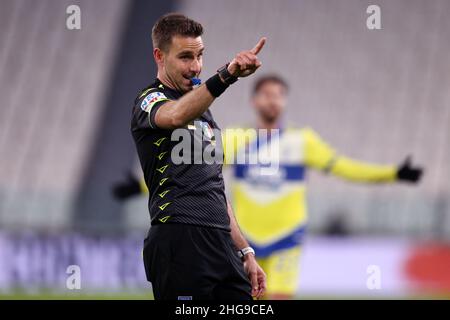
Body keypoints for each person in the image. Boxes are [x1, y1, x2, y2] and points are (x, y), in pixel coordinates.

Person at [118, 74, 423, 300]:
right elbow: (193, 175)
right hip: (242, 242)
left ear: (285, 101)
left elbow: (346, 167)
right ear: (254, 101)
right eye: (266, 94)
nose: (272, 100)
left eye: (278, 95)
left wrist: (393, 174)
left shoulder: (303, 142)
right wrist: (142, 188)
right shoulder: (237, 139)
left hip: (285, 241)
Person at [129, 13, 267, 300]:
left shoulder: (204, 112)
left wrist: (245, 249)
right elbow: (176, 114)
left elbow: (213, 186)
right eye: (185, 57)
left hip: (222, 246)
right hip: (180, 240)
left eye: (200, 56)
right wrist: (226, 75)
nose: (196, 67)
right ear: (160, 55)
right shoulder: (149, 100)